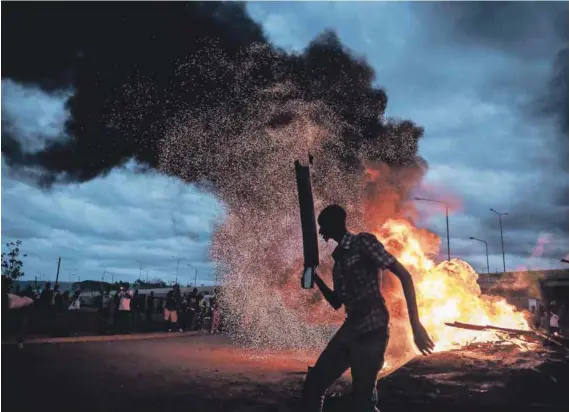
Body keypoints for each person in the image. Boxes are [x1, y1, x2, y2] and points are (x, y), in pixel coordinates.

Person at [302, 205, 435, 412]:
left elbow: (404, 276)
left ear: (336, 223)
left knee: (363, 402)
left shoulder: (363, 242)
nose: (320, 232)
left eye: (323, 226)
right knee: (314, 384)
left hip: (373, 328)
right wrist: (315, 277)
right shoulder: (338, 260)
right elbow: (337, 302)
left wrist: (416, 325)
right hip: (351, 327)